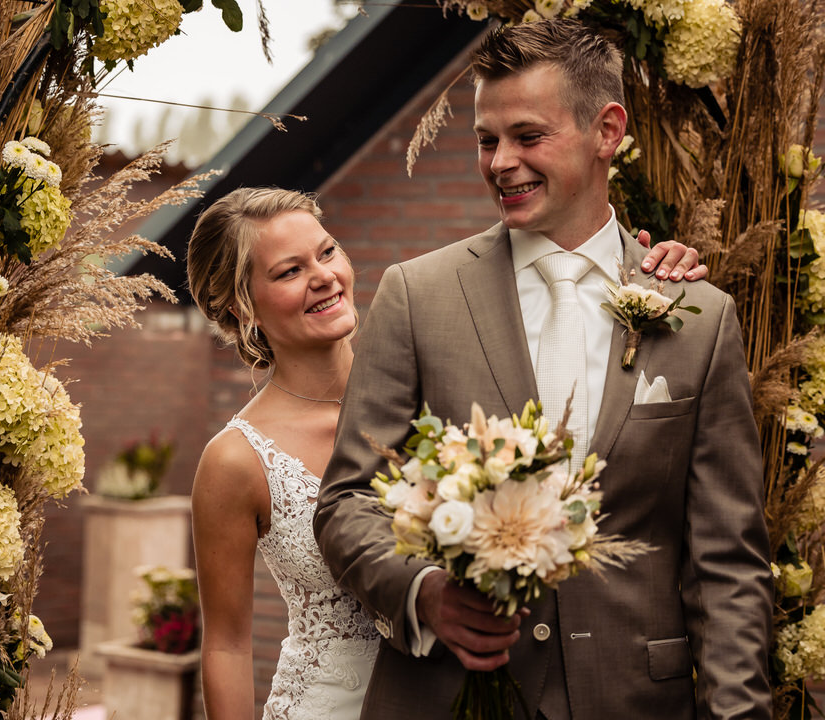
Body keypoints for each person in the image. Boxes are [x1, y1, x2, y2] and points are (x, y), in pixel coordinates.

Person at [315, 17, 773, 720]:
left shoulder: (699, 317)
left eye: (528, 137)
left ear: (607, 131)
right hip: (448, 697)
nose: (501, 162)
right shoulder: (417, 295)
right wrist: (426, 591)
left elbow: (727, 566)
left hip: (634, 700)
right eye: (486, 140)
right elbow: (347, 502)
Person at [187, 185, 706, 720]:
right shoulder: (234, 460)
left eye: (327, 251)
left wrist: (637, 268)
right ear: (239, 306)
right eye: (289, 271)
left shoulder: (438, 379)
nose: (324, 276)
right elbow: (227, 644)